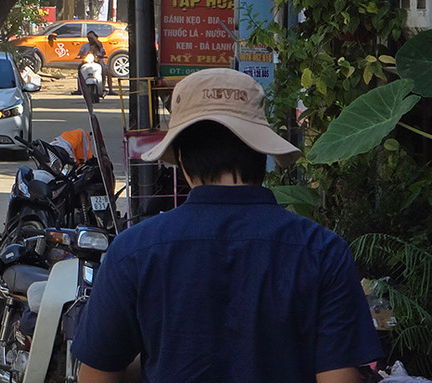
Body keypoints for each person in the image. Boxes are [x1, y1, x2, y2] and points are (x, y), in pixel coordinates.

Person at [72, 69, 382, 383]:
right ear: (262, 151)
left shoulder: (133, 251)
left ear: (180, 158)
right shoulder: (322, 251)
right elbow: (338, 378)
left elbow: (97, 375)